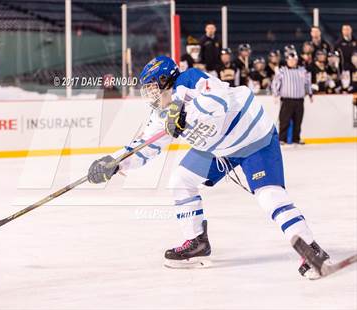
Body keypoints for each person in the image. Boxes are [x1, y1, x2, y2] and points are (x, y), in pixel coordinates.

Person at [87, 55, 329, 279]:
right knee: (181, 181)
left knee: (269, 196)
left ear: (165, 80)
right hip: (220, 150)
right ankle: (197, 242)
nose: (149, 94)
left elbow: (219, 102)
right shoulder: (161, 112)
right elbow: (144, 145)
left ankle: (311, 249)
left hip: (253, 139)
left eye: (151, 87)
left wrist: (184, 114)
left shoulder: (190, 79)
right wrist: (115, 162)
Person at [272, 52, 312, 145]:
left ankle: (296, 139)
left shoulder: (302, 71)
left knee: (298, 120)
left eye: (294, 60)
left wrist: (310, 93)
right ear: (287, 60)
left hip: (299, 99)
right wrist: (275, 94)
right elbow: (275, 83)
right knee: (284, 120)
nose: (292, 62)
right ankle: (282, 139)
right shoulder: (282, 71)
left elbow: (307, 83)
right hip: (287, 100)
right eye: (290, 60)